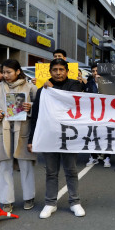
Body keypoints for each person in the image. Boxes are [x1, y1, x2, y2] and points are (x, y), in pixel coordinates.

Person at [29, 58, 85, 219]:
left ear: (67, 71)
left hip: (69, 135)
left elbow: (71, 101)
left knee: (71, 170)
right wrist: (32, 139)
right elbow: (36, 116)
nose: (58, 72)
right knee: (51, 172)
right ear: (50, 72)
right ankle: (50, 203)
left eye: (61, 69)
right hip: (49, 136)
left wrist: (52, 89)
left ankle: (75, 202)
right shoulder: (42, 90)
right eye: (55, 70)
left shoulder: (74, 85)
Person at [0, 59, 37, 213]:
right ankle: (7, 201)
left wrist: (31, 107)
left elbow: (41, 105)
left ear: (18, 71)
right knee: (4, 166)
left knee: (26, 165)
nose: (5, 75)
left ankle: (29, 197)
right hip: (3, 132)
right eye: (4, 72)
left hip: (23, 131)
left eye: (9, 72)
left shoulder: (30, 87)